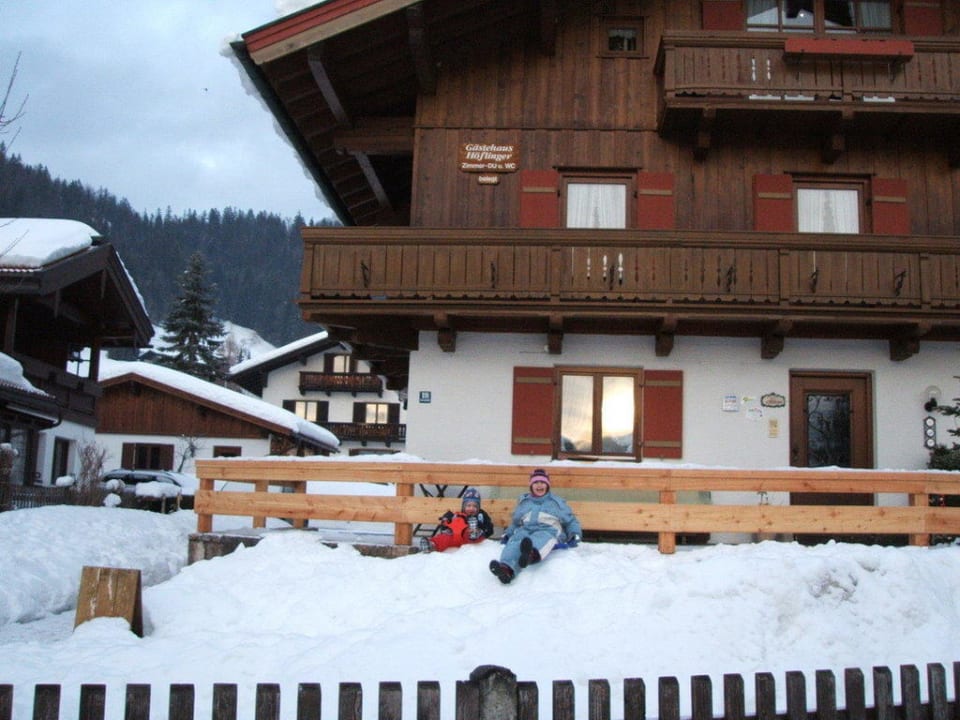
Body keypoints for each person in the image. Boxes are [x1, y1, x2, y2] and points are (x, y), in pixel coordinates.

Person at [489, 468, 582, 584]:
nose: (539, 485)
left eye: (542, 482)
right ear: (531, 485)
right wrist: (508, 533)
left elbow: (570, 521)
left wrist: (574, 534)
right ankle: (506, 569)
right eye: (536, 482)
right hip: (526, 530)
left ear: (547, 485)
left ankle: (531, 554)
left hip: (548, 530)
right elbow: (516, 522)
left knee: (542, 538)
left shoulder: (556, 503)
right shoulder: (524, 502)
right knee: (515, 540)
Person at [419, 487, 494, 552]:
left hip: (469, 538)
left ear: (478, 507)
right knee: (444, 538)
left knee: (474, 532)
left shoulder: (481, 515)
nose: (471, 508)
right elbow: (445, 527)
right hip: (455, 536)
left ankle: (473, 533)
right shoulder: (458, 515)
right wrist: (446, 520)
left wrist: (482, 530)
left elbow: (490, 528)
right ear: (463, 506)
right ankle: (431, 545)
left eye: (475, 506)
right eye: (468, 505)